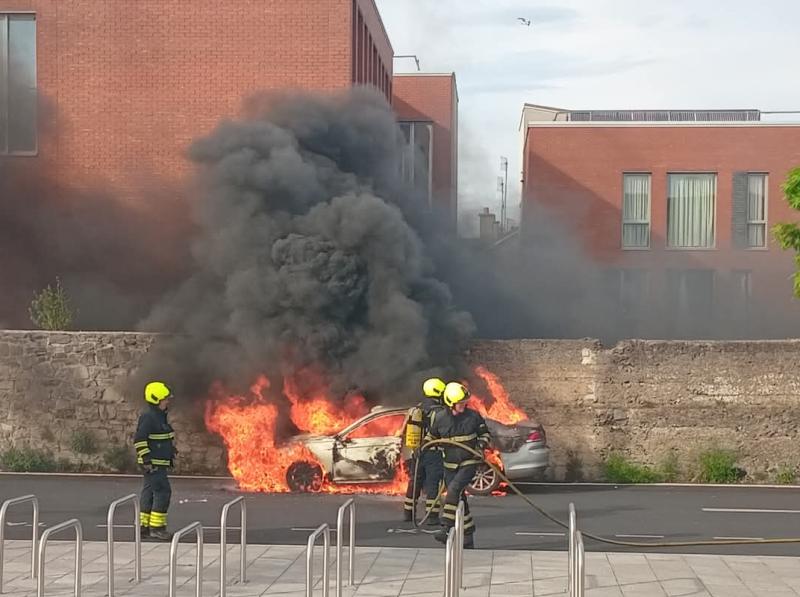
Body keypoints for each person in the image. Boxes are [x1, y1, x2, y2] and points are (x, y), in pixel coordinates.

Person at [426, 381, 491, 549]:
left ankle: (446, 527)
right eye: (460, 403)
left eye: (464, 402)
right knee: (460, 500)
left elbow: (485, 434)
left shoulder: (473, 416)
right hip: (449, 464)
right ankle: (468, 537)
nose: (463, 405)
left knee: (454, 489)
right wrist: (423, 448)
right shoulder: (440, 419)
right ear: (450, 402)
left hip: (469, 461)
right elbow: (431, 437)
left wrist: (481, 445)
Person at [134, 381, 177, 541]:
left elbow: (161, 437)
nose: (167, 401)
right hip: (153, 464)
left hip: (158, 463)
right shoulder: (149, 417)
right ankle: (157, 528)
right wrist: (146, 459)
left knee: (150, 492)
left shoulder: (159, 416)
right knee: (162, 492)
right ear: (156, 399)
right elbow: (139, 439)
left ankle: (144, 527)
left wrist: (170, 450)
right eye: (165, 399)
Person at [402, 377, 446, 525]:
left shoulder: (416, 409)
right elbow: (443, 432)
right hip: (433, 452)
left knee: (415, 481)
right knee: (433, 484)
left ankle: (408, 513)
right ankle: (432, 516)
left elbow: (405, 430)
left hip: (417, 452)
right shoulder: (439, 412)